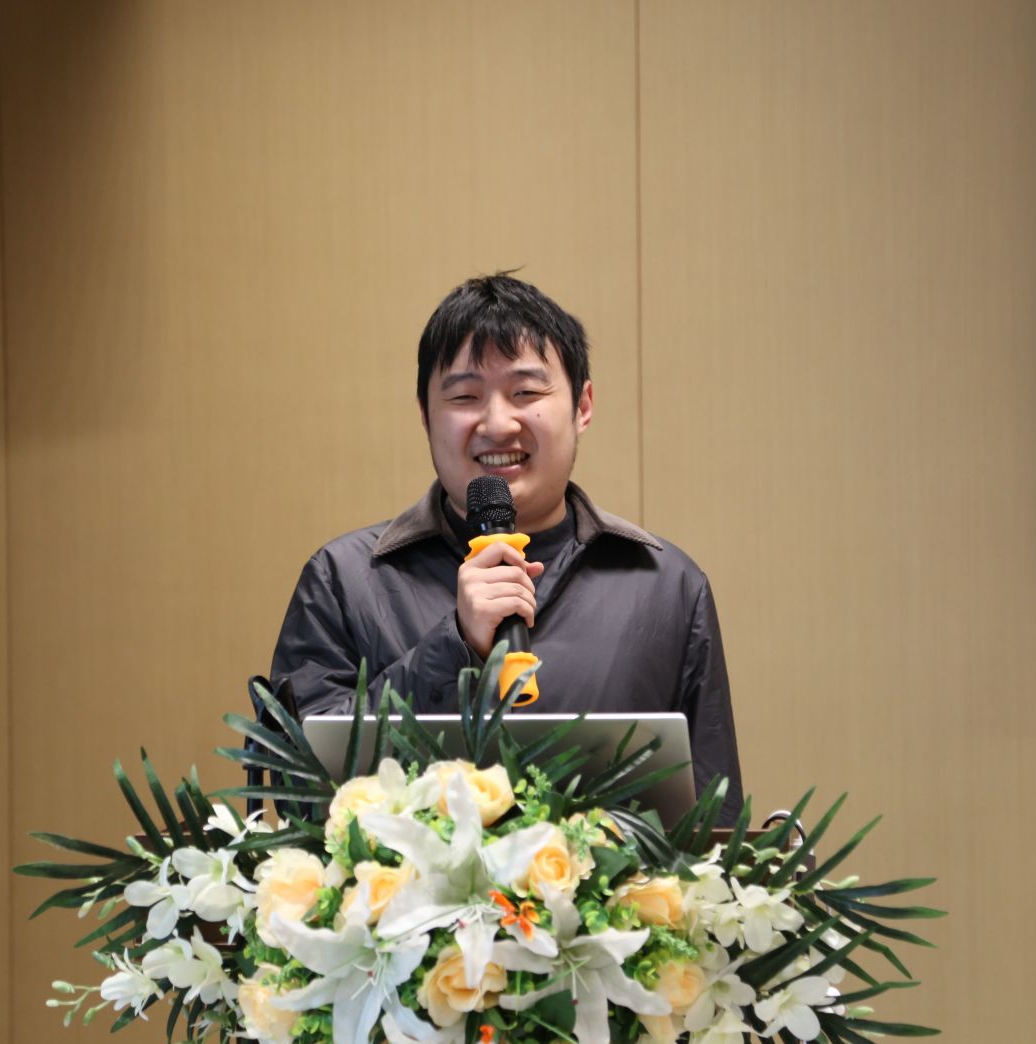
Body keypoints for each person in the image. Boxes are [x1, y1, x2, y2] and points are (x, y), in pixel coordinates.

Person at [270, 273, 743, 820]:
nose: (497, 423)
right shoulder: (344, 580)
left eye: (526, 393)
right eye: (464, 397)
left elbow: (716, 828)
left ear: (582, 405)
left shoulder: (666, 588)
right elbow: (299, 791)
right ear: (425, 414)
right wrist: (455, 647)